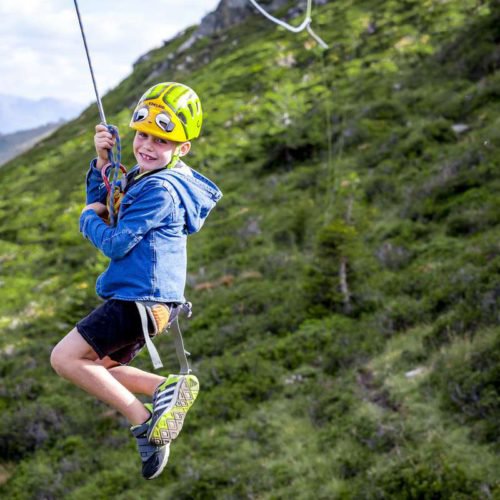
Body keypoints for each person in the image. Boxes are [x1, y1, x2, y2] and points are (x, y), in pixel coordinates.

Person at [50, 82, 222, 480]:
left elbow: (115, 240)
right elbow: (113, 199)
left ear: (182, 148)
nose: (146, 144)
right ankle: (166, 388)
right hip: (152, 304)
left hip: (137, 300)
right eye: (143, 133)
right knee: (95, 369)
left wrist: (86, 219)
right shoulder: (153, 179)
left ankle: (143, 421)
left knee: (64, 359)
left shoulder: (159, 190)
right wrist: (101, 159)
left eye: (161, 139)